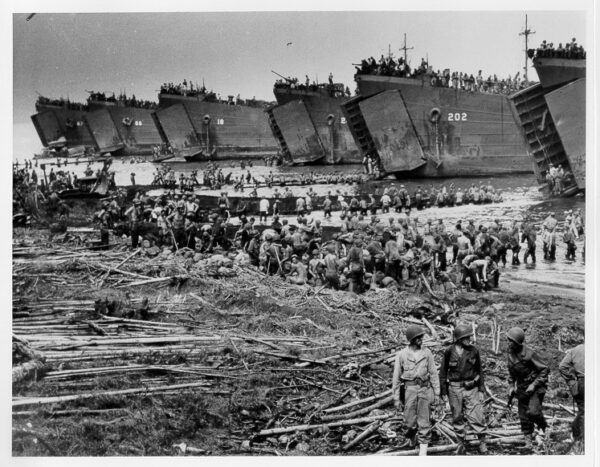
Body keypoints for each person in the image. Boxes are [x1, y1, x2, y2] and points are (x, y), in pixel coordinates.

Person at [439, 324, 488, 454]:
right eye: (465, 337)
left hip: (471, 388)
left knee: (477, 416)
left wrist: (481, 390)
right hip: (454, 389)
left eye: (469, 337)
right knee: (457, 416)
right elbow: (443, 373)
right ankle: (461, 444)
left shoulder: (474, 351)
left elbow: (480, 371)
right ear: (459, 339)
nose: (468, 339)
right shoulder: (449, 351)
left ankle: (482, 442)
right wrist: (443, 393)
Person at [392, 325, 440, 456]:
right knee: (408, 422)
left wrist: (437, 393)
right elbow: (396, 378)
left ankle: (422, 454)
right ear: (411, 339)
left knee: (424, 421)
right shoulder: (402, 354)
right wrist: (396, 398)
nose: (421, 339)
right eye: (418, 337)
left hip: (424, 389)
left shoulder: (427, 353)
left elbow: (434, 374)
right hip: (409, 390)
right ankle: (412, 439)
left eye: (421, 336)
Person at [506, 327, 549, 449]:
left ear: (517, 342)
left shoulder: (530, 353)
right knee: (524, 416)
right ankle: (528, 443)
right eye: (508, 340)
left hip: (535, 387)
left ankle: (545, 427)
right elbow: (511, 372)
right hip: (521, 387)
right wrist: (511, 385)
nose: (508, 343)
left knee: (533, 412)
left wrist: (533, 385)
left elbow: (544, 369)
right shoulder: (510, 353)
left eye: (511, 341)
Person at [558, 343, 584, 443]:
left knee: (583, 410)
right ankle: (578, 436)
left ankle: (578, 437)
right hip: (585, 381)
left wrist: (572, 381)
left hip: (582, 382)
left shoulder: (576, 349)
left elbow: (562, 367)